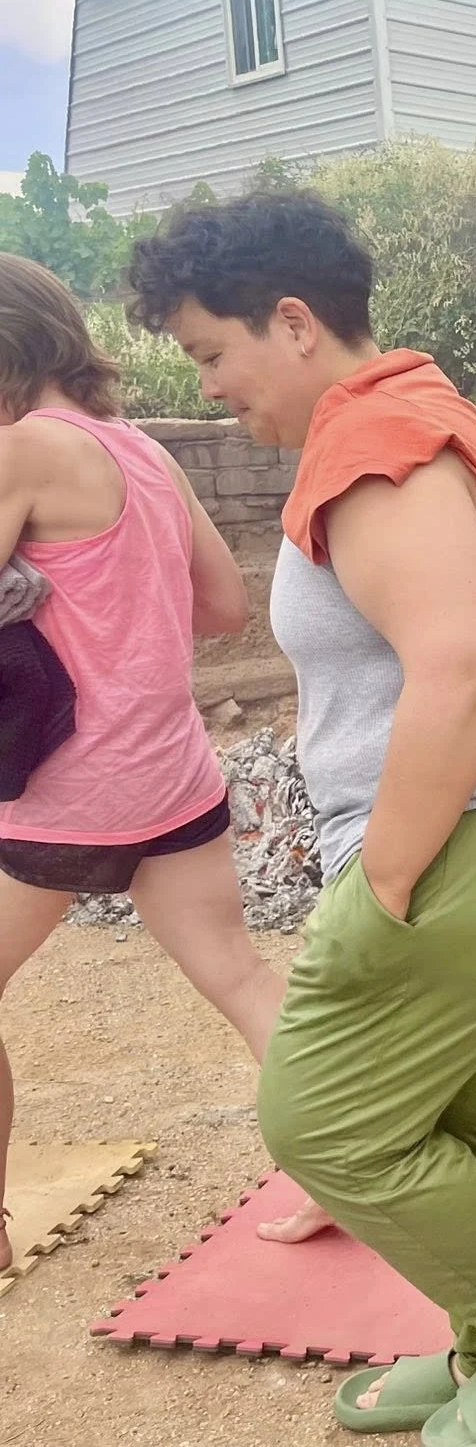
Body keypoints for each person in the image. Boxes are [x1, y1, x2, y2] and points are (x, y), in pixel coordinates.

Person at [128, 193, 476, 1443]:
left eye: (210, 351)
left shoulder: (373, 448)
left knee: (319, 1116)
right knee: (469, 1107)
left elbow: (460, 659)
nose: (213, 385)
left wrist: (389, 879)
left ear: (292, 322)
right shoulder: (419, 414)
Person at [0, 252, 285, 1277]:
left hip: (68, 790)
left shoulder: (26, 447)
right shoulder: (144, 450)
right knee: (243, 980)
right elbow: (221, 608)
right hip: (171, 774)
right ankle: (340, 1169)